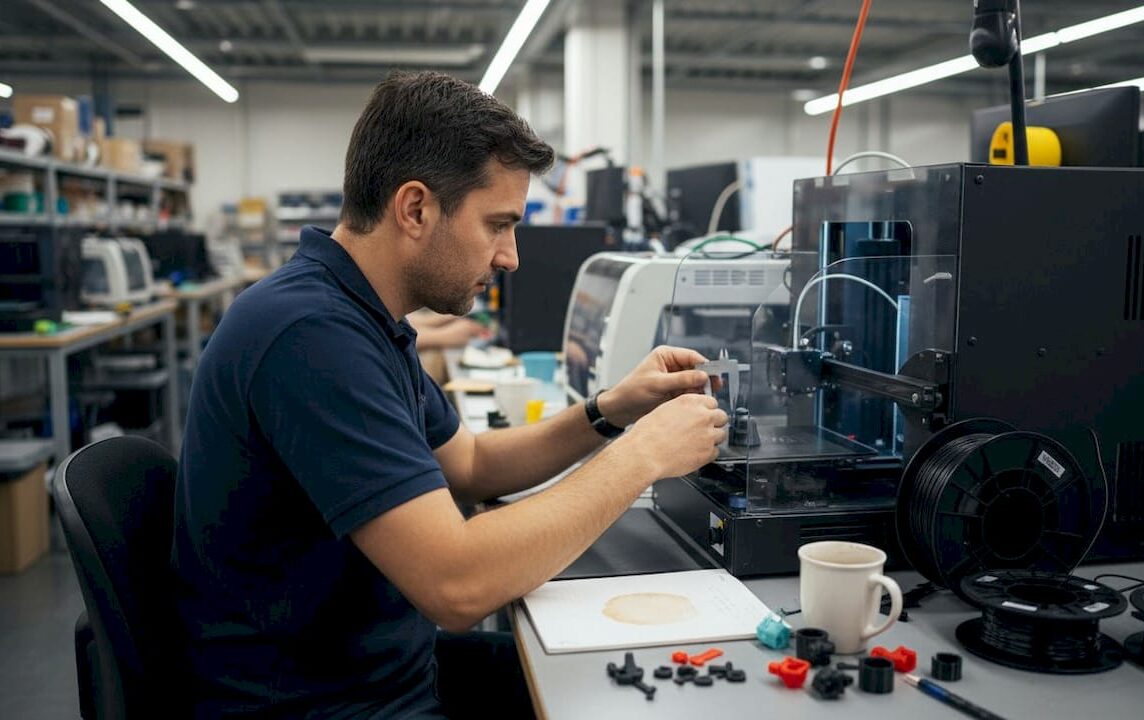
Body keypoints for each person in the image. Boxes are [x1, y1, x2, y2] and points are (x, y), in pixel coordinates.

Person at [171, 70, 727, 719]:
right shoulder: (310, 337)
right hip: (322, 704)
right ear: (414, 209)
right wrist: (645, 458)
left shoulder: (361, 315)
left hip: (374, 671)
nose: (510, 256)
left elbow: (469, 464)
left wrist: (610, 412)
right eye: (497, 224)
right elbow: (457, 584)